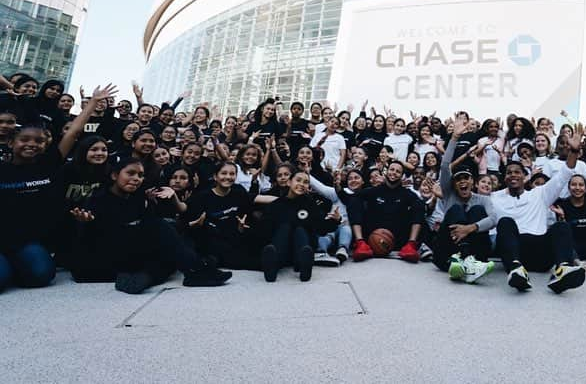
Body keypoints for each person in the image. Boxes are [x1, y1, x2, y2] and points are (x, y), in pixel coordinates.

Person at [0, 84, 115, 292]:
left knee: (42, 275)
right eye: (24, 140)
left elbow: (74, 132)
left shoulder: (48, 163)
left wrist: (93, 103)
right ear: (10, 143)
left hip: (25, 241)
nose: (31, 144)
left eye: (39, 141)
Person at [68, 157, 231, 293]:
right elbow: (89, 241)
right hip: (97, 261)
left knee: (168, 249)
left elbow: (149, 230)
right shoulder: (98, 199)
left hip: (124, 255)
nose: (136, 178)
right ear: (114, 175)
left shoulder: (136, 198)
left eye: (140, 175)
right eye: (130, 173)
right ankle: (195, 270)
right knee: (162, 235)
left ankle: (150, 277)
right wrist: (86, 223)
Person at [491, 126, 586, 293]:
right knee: (505, 222)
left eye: (517, 172)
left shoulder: (540, 193)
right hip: (515, 252)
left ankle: (562, 270)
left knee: (561, 226)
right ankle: (517, 271)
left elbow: (564, 174)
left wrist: (573, 150)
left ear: (524, 176)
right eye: (509, 173)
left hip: (541, 252)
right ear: (504, 178)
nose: (513, 175)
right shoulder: (494, 197)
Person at [432, 113, 496, 283]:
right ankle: (465, 261)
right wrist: (454, 137)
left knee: (477, 210)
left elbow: (493, 219)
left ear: (473, 182)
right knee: (456, 209)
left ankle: (467, 262)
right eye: (458, 179)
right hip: (447, 252)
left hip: (477, 252)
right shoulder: (449, 194)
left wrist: (470, 228)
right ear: (453, 184)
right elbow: (445, 166)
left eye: (465, 178)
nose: (462, 182)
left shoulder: (483, 199)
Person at [258, 170, 341, 282]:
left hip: (302, 247)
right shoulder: (276, 205)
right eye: (298, 180)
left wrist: (335, 220)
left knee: (300, 229)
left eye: (306, 182)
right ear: (289, 183)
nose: (301, 184)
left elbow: (322, 228)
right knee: (285, 227)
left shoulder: (310, 204)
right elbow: (265, 230)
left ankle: (304, 267)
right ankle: (272, 268)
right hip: (282, 249)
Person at [346, 160, 425, 262]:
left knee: (419, 204)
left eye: (398, 171)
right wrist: (337, 187)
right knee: (355, 200)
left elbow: (423, 208)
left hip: (398, 236)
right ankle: (360, 243)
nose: (394, 173)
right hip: (373, 233)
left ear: (402, 176)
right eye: (392, 169)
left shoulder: (407, 193)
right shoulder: (374, 190)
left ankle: (411, 245)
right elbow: (348, 198)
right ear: (386, 172)